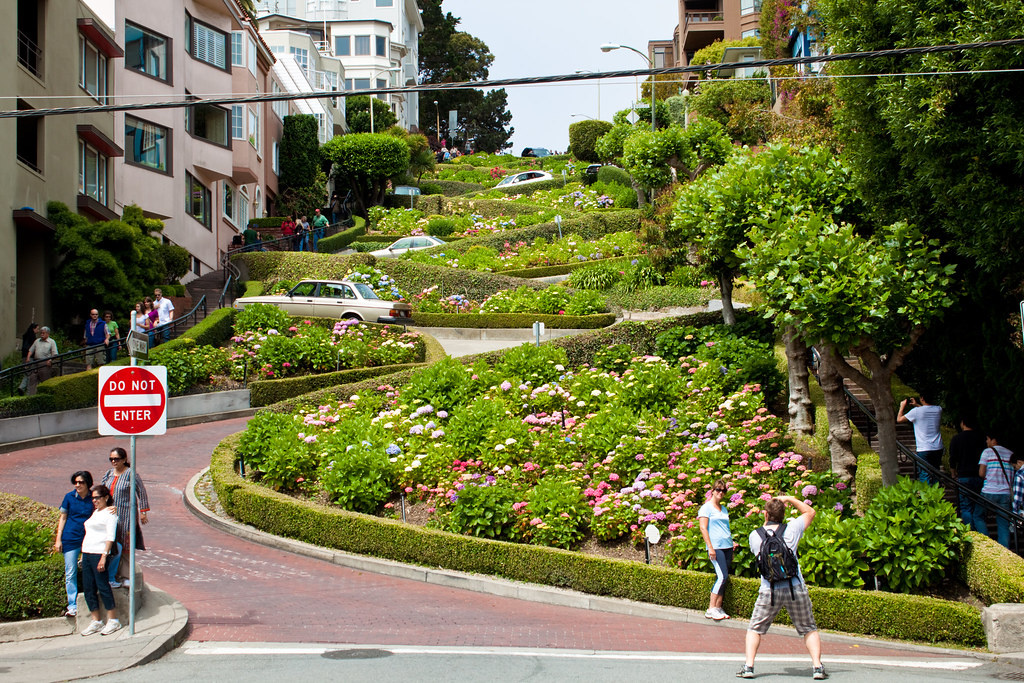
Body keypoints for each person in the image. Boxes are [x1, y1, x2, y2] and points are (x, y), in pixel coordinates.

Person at [738, 496, 825, 680]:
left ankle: (748, 667)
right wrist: (791, 498)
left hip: (769, 590)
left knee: (755, 628)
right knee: (809, 628)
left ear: (766, 514)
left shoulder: (755, 535)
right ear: (783, 515)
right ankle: (817, 668)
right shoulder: (792, 528)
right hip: (795, 587)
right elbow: (810, 512)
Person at [102, 447, 150, 586]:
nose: (114, 462)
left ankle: (125, 575)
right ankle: (113, 574)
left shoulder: (131, 474)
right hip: (110, 515)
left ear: (124, 459)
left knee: (125, 546)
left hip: (126, 516)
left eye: (116, 459)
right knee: (112, 544)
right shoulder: (109, 474)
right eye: (111, 459)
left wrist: (143, 512)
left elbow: (141, 491)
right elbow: (102, 490)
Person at [79, 484, 122, 636]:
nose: (95, 500)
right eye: (93, 498)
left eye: (98, 498)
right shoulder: (95, 512)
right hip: (87, 552)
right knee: (88, 588)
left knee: (103, 586)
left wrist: (104, 556)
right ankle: (96, 621)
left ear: (106, 498)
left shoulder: (110, 514)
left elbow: (110, 536)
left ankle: (113, 620)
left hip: (99, 553)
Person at [54, 471, 94, 617]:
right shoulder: (69, 497)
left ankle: (92, 601)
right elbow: (63, 518)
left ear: (88, 483)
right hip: (70, 538)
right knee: (70, 572)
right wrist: (58, 540)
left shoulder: (93, 498)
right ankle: (72, 605)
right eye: (75, 482)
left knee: (91, 570)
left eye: (81, 482)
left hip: (89, 538)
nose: (78, 485)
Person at [699, 479, 738, 621]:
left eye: (723, 490)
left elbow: (725, 528)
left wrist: (731, 543)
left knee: (723, 577)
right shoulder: (706, 508)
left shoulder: (724, 509)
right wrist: (710, 547)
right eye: (718, 490)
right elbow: (703, 528)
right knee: (722, 576)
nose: (721, 493)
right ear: (712, 491)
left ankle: (718, 607)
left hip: (727, 546)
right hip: (716, 547)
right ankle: (711, 609)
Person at [949, 417, 987, 530]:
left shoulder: (957, 438)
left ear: (963, 423)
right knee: (978, 507)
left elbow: (952, 458)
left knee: (965, 507)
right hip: (979, 475)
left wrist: (953, 473)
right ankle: (981, 534)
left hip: (964, 476)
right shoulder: (981, 437)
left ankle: (970, 532)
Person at [978, 432, 1015, 548]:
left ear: (993, 440)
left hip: (989, 491)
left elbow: (981, 473)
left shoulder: (987, 452)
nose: (986, 442)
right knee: (1003, 524)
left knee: (978, 516)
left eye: (987, 439)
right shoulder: (1010, 453)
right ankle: (1004, 552)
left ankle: (988, 544)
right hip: (1005, 493)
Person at [897, 395, 944, 484]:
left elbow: (899, 419)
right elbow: (926, 410)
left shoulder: (916, 412)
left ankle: (925, 495)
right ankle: (937, 494)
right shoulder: (938, 409)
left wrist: (902, 406)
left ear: (922, 398)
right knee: (936, 473)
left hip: (924, 448)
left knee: (924, 473)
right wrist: (917, 405)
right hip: (938, 447)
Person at [26, 326, 59, 395]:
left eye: (43, 333)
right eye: (41, 333)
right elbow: (31, 350)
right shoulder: (37, 341)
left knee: (45, 381)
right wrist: (28, 358)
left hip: (45, 363)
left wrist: (50, 360)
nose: (42, 334)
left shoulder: (51, 342)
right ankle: (31, 396)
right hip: (36, 362)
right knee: (32, 379)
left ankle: (46, 395)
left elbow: (55, 354)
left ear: (48, 334)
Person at [17, 322, 38, 394]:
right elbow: (32, 349)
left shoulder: (25, 336)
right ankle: (29, 392)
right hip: (29, 358)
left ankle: (22, 387)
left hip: (24, 357)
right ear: (33, 329)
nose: (38, 331)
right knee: (30, 374)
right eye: (37, 329)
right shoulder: (32, 338)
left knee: (26, 373)